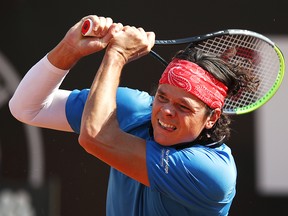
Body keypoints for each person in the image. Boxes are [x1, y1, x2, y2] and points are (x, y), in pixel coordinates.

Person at [9, 15, 256, 216]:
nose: (167, 110)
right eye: (162, 97)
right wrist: (69, 49)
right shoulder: (132, 109)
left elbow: (94, 137)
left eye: (183, 107)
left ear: (211, 118)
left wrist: (117, 55)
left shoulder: (211, 172)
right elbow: (26, 108)